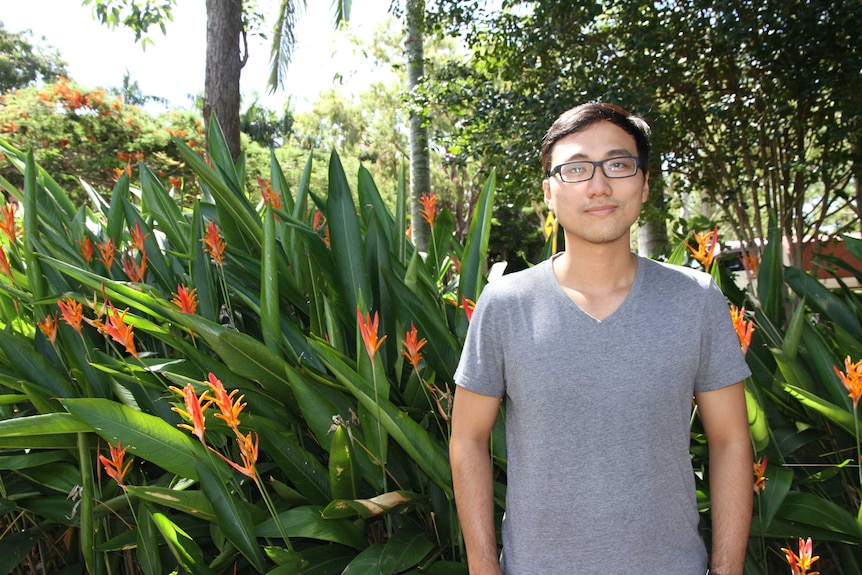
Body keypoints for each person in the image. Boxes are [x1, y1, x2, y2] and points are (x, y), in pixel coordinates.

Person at [449, 102, 753, 575]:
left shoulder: (695, 300)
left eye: (618, 164)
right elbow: (467, 439)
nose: (598, 185)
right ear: (549, 192)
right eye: (575, 169)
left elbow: (731, 439)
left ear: (645, 183)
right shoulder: (505, 303)